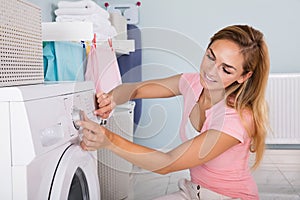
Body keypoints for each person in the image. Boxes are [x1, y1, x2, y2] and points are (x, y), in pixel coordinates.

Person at [76, 24, 270, 200]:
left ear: (244, 76)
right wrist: (112, 98)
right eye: (210, 56)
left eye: (226, 70)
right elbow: (137, 89)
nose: (211, 71)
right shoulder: (193, 83)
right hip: (193, 191)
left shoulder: (235, 119)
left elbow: (167, 163)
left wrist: (108, 140)